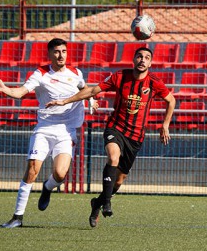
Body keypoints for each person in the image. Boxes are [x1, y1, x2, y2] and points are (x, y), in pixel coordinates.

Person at [46, 47, 176, 228]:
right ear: (133, 59)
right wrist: (65, 101)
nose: (142, 60)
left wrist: (165, 125)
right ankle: (106, 203)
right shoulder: (120, 76)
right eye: (139, 56)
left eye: (147, 58)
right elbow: (93, 91)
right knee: (113, 157)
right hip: (116, 128)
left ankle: (98, 203)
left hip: (136, 136)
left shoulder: (154, 82)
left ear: (150, 63)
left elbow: (171, 100)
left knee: (120, 179)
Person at [0, 38, 97, 228]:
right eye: (56, 52)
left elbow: (84, 89)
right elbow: (21, 92)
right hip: (44, 129)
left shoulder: (76, 72)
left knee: (60, 175)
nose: (61, 55)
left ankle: (47, 188)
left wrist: (91, 100)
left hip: (66, 132)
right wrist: (5, 90)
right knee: (32, 170)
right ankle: (17, 217)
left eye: (63, 51)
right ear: (50, 54)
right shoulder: (41, 73)